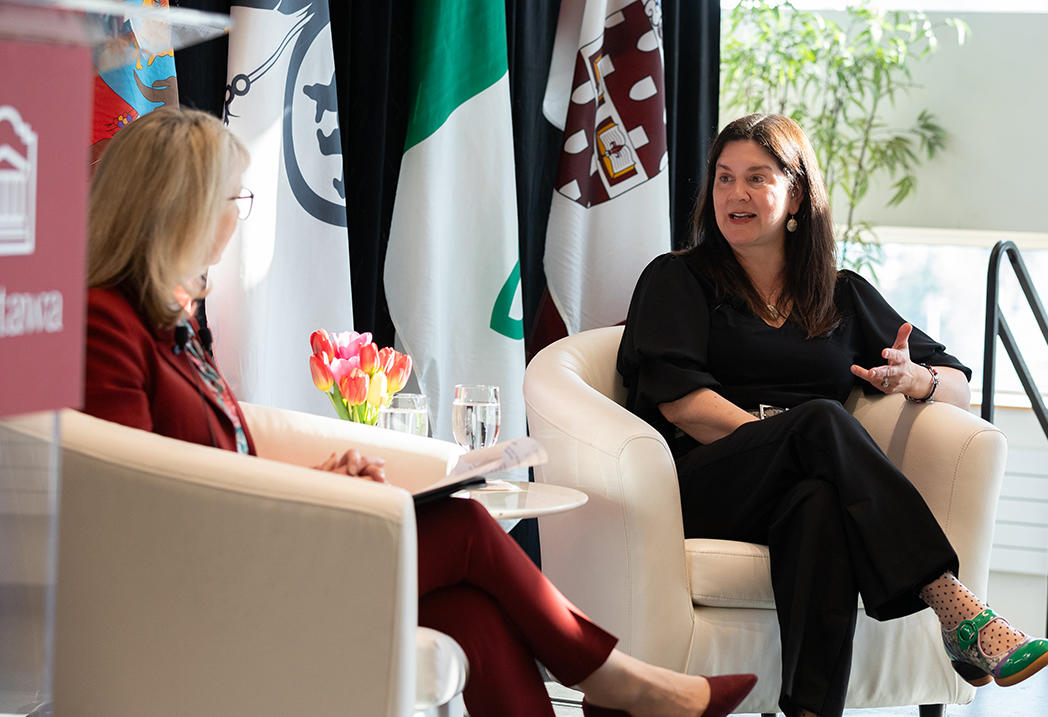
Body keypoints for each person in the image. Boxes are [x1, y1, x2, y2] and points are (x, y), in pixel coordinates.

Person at [81, 106, 756, 717]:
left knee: (469, 612)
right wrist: (304, 502)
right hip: (210, 584)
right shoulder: (103, 323)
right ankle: (630, 686)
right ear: (183, 207)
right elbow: (141, 496)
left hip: (250, 552)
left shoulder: (175, 320)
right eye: (235, 198)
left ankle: (627, 686)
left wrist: (324, 481)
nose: (239, 216)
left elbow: (213, 458)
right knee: (463, 525)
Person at [617, 114, 1048, 717]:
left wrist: (917, 380)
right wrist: (789, 438)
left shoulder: (840, 293)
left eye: (755, 178)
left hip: (804, 481)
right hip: (702, 482)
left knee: (819, 506)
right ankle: (956, 608)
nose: (734, 194)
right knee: (821, 423)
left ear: (796, 193)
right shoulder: (678, 279)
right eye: (723, 179)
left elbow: (957, 383)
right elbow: (682, 403)